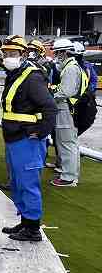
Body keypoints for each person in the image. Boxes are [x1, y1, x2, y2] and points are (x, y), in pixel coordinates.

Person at [0, 35, 56, 242]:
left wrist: (41, 132)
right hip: (15, 137)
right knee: (17, 183)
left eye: (12, 54)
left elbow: (50, 108)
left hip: (27, 140)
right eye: (5, 53)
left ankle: (33, 229)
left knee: (28, 183)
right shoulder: (14, 74)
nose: (7, 57)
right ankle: (25, 222)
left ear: (23, 55)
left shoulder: (32, 77)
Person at [49, 39, 86, 187]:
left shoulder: (70, 68)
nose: (56, 55)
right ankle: (70, 174)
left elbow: (66, 91)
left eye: (58, 52)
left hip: (65, 109)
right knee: (71, 143)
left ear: (65, 52)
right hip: (69, 109)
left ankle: (68, 177)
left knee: (65, 143)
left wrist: (50, 95)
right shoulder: (72, 66)